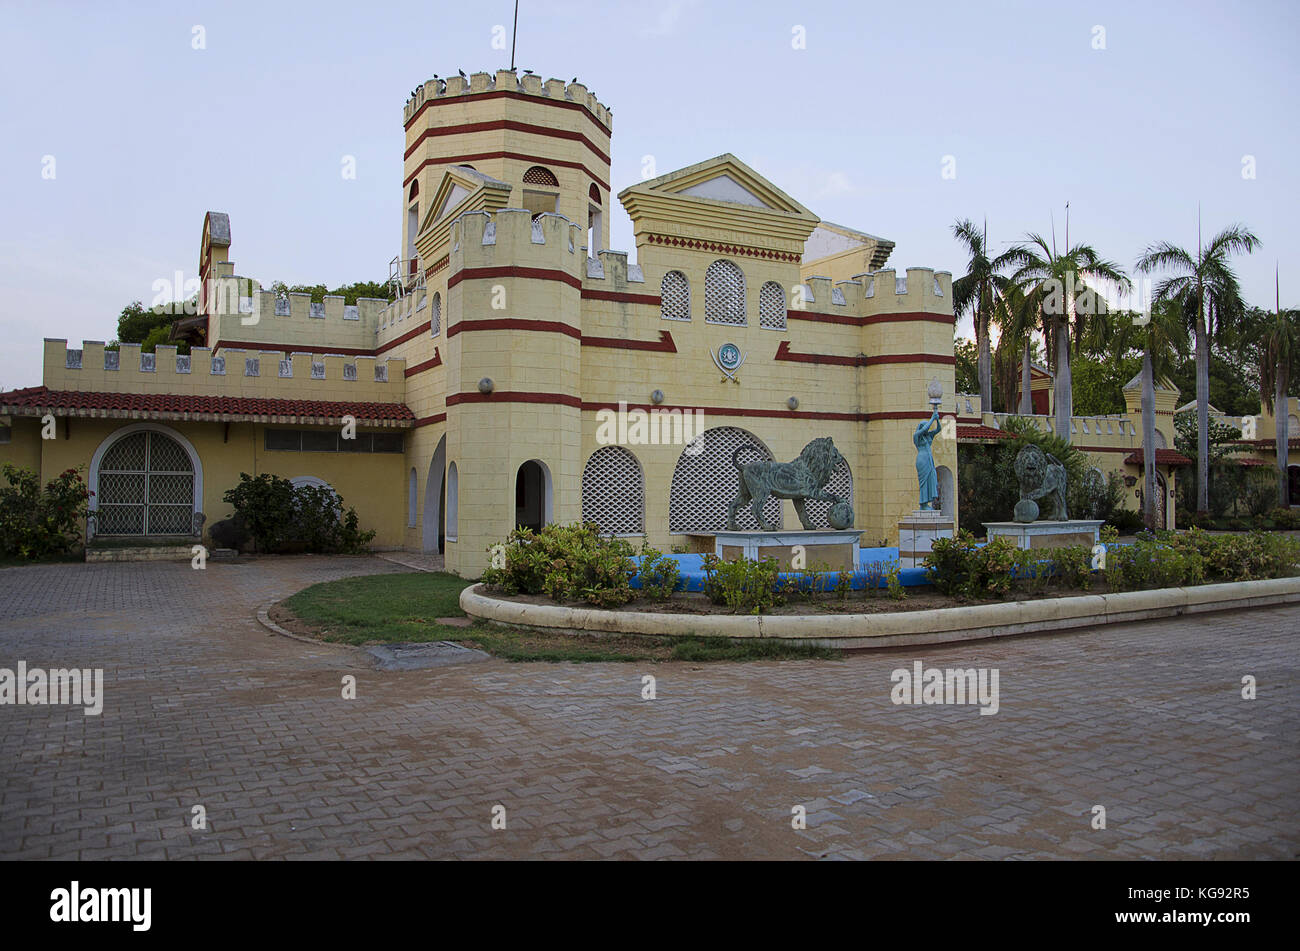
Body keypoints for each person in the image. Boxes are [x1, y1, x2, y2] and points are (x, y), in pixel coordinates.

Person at [913, 409, 941, 510]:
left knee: (931, 479)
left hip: (929, 460)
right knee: (923, 482)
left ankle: (927, 503)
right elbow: (925, 429)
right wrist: (932, 418)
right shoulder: (917, 436)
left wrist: (937, 419)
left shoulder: (928, 436)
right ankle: (923, 504)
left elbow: (938, 429)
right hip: (922, 460)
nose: (927, 429)